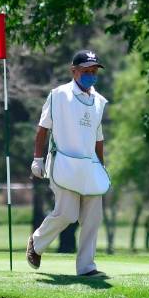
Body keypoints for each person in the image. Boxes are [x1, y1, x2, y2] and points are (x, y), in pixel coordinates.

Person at [26, 50, 109, 276]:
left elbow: (98, 138)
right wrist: (37, 159)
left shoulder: (99, 101)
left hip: (89, 166)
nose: (91, 75)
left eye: (94, 71)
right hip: (62, 163)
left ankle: (86, 267)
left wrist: (101, 167)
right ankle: (36, 242)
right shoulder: (58, 95)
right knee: (67, 214)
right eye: (86, 71)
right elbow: (43, 128)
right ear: (74, 71)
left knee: (93, 218)